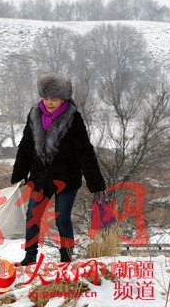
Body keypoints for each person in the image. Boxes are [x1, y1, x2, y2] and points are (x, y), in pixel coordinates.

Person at [11, 73, 106, 266]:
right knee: (32, 216)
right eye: (46, 98)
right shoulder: (34, 114)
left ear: (63, 98)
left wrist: (95, 182)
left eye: (54, 99)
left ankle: (66, 258)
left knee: (62, 218)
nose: (49, 102)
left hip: (66, 177)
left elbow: (85, 151)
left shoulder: (73, 118)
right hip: (40, 176)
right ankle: (30, 257)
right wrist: (19, 173)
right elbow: (26, 145)